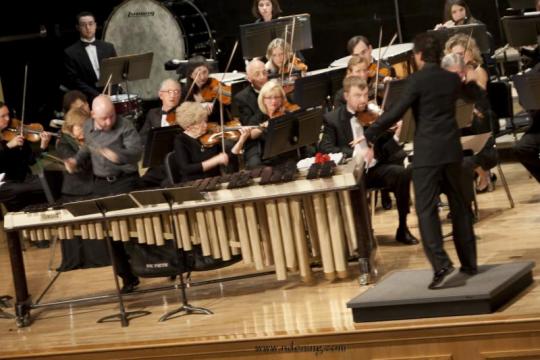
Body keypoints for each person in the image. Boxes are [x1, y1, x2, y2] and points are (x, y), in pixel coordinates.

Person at [361, 33, 481, 289]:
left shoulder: (416, 80)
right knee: (460, 207)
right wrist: (469, 80)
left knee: (426, 210)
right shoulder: (450, 78)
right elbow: (473, 94)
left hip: (427, 154)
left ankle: (441, 264)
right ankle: (469, 263)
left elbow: (394, 112)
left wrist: (370, 133)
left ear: (417, 55)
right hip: (452, 151)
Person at [319, 76, 418, 245]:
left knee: (402, 174)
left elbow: (385, 151)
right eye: (358, 95)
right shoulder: (332, 119)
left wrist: (396, 136)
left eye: (365, 95)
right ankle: (363, 234)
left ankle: (403, 227)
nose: (363, 100)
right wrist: (358, 152)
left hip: (373, 169)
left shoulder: (376, 116)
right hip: (352, 172)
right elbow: (326, 148)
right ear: (346, 96)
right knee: (357, 186)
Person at [64, 95, 142, 293]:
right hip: (101, 185)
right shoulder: (89, 126)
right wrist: (75, 160)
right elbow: (87, 148)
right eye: (104, 118)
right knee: (110, 233)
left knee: (135, 228)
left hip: (126, 181)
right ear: (92, 115)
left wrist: (119, 155)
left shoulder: (125, 126)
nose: (109, 122)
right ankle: (127, 277)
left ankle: (152, 265)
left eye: (111, 116)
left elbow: (136, 153)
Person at [55, 107, 109, 270]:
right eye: (81, 127)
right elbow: (78, 167)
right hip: (77, 190)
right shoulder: (63, 143)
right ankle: (99, 256)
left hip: (95, 183)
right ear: (71, 127)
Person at [445, 35, 498, 192]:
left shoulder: (478, 70)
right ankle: (479, 171)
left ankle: (482, 172)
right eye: (455, 55)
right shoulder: (452, 74)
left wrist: (469, 79)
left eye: (462, 54)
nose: (459, 58)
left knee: (474, 121)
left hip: (482, 117)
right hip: (462, 118)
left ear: (471, 52)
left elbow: (480, 94)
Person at [173, 102, 250, 182]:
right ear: (189, 127)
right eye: (200, 123)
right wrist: (215, 160)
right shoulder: (180, 140)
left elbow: (229, 159)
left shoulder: (211, 136)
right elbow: (186, 169)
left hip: (214, 180)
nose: (205, 125)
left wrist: (241, 140)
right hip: (195, 183)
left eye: (205, 121)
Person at [0, 101, 52, 213]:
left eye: (8, 114)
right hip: (6, 184)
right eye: (3, 116)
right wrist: (9, 146)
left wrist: (43, 146)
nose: (8, 119)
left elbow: (31, 161)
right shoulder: (8, 142)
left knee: (51, 180)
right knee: (38, 186)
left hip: (24, 179)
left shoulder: (16, 132)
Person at [64, 12, 118, 102]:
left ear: (95, 25)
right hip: (88, 99)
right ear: (78, 28)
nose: (88, 28)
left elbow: (115, 73)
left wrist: (111, 94)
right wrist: (97, 95)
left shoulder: (108, 47)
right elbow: (75, 81)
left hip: (111, 97)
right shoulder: (70, 53)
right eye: (83, 25)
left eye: (90, 24)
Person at [139, 78, 182, 187]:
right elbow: (142, 137)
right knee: (141, 184)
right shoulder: (152, 113)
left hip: (177, 162)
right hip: (157, 164)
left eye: (176, 92)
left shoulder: (184, 112)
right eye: (169, 92)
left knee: (166, 185)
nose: (173, 95)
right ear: (160, 95)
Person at [234, 59, 269, 169]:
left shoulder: (275, 87)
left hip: (276, 132)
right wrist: (265, 100)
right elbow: (249, 126)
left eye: (264, 72)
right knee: (255, 164)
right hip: (256, 140)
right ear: (249, 78)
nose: (263, 76)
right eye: (257, 74)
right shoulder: (241, 98)